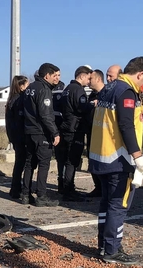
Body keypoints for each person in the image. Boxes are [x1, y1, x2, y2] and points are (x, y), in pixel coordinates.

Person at [89, 56, 143, 265]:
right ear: (141, 74)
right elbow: (126, 125)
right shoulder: (126, 91)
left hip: (102, 155)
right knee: (119, 205)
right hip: (119, 158)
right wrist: (137, 156)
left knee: (106, 204)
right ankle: (112, 250)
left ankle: (104, 245)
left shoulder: (109, 88)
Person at [21, 63, 62, 207]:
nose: (56, 78)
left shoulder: (29, 88)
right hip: (41, 132)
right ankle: (41, 196)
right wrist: (55, 132)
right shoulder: (44, 90)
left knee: (29, 163)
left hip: (29, 131)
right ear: (47, 76)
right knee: (43, 164)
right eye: (54, 75)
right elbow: (45, 115)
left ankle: (25, 194)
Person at [56, 65, 93, 202]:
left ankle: (67, 188)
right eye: (88, 78)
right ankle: (69, 190)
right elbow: (81, 108)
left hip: (66, 127)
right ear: (82, 76)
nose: (89, 82)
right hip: (75, 129)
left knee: (66, 160)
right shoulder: (78, 90)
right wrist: (92, 104)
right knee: (72, 161)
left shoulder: (66, 89)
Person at [83, 69, 106, 198]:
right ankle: (98, 187)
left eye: (90, 79)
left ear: (97, 79)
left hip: (103, 134)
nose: (88, 81)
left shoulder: (107, 94)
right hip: (91, 131)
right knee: (92, 160)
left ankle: (104, 188)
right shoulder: (92, 95)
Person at [6, 75, 29, 199]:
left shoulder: (12, 99)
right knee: (21, 162)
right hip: (20, 135)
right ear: (21, 87)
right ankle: (17, 188)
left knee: (19, 162)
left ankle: (15, 188)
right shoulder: (19, 100)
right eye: (26, 85)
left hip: (15, 135)